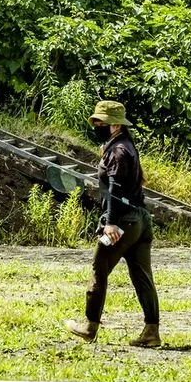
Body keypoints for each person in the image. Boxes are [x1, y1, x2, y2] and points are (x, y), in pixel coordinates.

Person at [64, 100, 161, 347]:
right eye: (96, 120)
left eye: (100, 122)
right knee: (142, 276)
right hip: (140, 219)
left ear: (115, 124)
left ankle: (89, 326)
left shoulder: (117, 152)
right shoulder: (124, 146)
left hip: (124, 221)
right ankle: (151, 331)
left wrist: (110, 223)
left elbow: (115, 191)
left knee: (99, 267)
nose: (96, 125)